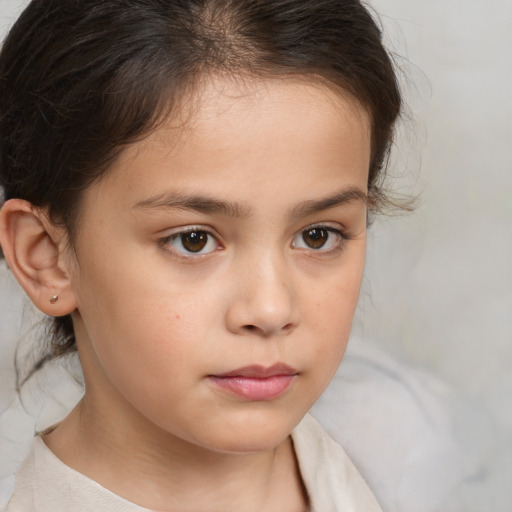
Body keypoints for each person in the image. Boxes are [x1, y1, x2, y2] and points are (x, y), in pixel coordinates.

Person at [0, 0, 403, 510]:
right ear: (47, 257)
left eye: (318, 235)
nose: (271, 310)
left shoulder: (387, 459)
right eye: (193, 240)